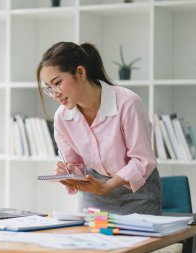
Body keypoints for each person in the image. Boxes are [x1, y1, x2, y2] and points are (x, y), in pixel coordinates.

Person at [36, 42, 161, 215]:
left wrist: (107, 186)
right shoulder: (62, 118)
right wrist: (69, 172)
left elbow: (142, 160)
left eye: (57, 83)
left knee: (132, 242)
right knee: (88, 241)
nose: (55, 93)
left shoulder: (127, 103)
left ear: (80, 72)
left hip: (136, 195)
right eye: (49, 88)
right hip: (94, 194)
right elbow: (76, 164)